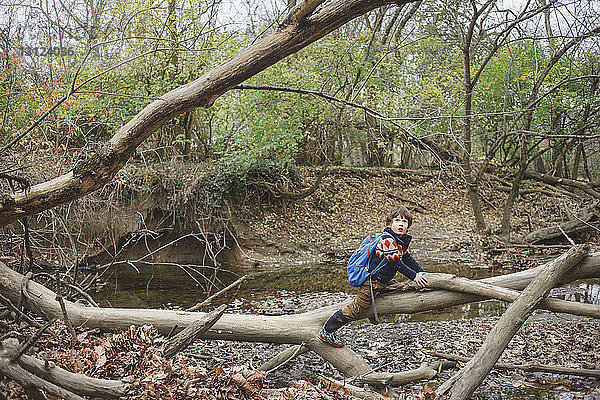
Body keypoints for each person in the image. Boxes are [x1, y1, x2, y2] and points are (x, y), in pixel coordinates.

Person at [318, 205, 428, 347]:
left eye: (405, 221)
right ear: (390, 224)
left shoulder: (400, 242)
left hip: (383, 281)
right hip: (373, 282)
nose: (401, 224)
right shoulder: (387, 240)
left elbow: (408, 259)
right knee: (355, 309)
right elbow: (397, 264)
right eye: (397, 220)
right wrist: (414, 276)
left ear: (408, 226)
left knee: (394, 288)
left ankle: (372, 313)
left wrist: (422, 272)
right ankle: (327, 331)